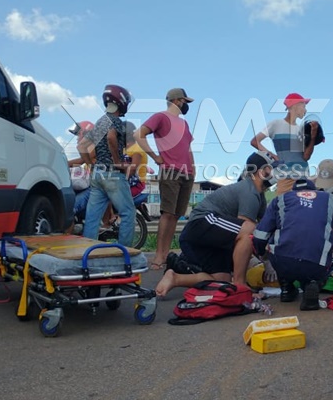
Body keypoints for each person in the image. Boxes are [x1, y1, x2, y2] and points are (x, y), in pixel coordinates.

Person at [156, 152, 275, 298]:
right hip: (200, 225)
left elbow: (264, 233)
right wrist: (266, 261)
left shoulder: (259, 197)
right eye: (271, 168)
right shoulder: (249, 190)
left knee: (222, 281)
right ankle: (240, 285)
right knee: (250, 229)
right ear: (260, 171)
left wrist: (269, 261)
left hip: (204, 239)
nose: (275, 172)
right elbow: (249, 233)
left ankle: (175, 278)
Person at [253, 179, 333, 310]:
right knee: (318, 261)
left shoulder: (280, 200)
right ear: (314, 190)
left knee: (277, 243)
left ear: (294, 192)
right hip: (316, 263)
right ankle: (312, 283)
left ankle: (286, 287)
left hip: (282, 262)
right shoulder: (331, 200)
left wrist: (264, 258)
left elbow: (259, 236)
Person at [134, 88, 196, 270]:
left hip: (187, 173)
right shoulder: (160, 117)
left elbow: (188, 148)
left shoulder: (184, 124)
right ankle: (159, 256)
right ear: (177, 101)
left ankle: (166, 253)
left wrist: (193, 168)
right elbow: (139, 134)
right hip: (170, 171)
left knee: (176, 215)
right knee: (167, 213)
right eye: (185, 101)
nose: (186, 105)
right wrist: (155, 156)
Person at [80, 84, 136, 246]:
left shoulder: (101, 122)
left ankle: (87, 250)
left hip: (97, 174)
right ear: (121, 101)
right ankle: (124, 253)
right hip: (112, 174)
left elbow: (82, 146)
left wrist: (91, 165)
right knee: (128, 213)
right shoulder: (115, 121)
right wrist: (118, 161)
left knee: (92, 217)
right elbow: (112, 137)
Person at [250, 92, 320, 195]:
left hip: (304, 178)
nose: (305, 110)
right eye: (303, 106)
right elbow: (255, 141)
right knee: (283, 208)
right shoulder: (276, 124)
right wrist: (273, 155)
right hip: (286, 179)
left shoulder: (301, 129)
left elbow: (305, 157)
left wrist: (313, 137)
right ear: (295, 106)